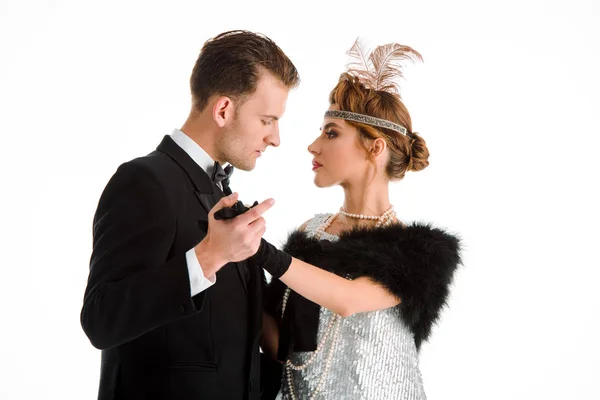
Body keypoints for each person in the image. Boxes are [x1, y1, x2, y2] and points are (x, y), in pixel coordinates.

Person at [80, 30, 299, 400]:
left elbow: (228, 355)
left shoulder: (220, 192)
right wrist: (208, 256)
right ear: (224, 110)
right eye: (266, 120)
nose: (275, 138)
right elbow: (101, 320)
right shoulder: (144, 180)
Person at [258, 40, 462, 399]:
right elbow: (281, 350)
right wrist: (233, 262)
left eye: (331, 132)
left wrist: (260, 254)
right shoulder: (311, 233)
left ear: (375, 147)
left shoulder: (422, 253)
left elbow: (348, 298)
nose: (313, 145)